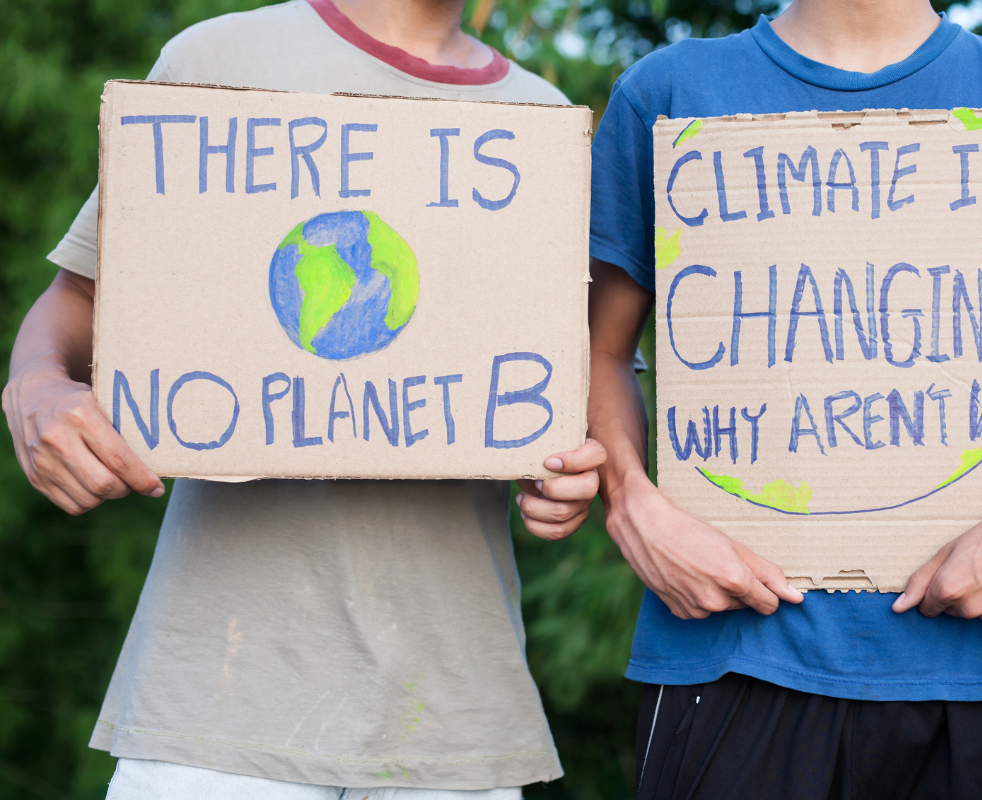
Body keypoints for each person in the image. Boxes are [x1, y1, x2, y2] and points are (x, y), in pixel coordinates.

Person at [1, 0, 606, 797]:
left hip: (453, 719)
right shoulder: (218, 58)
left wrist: (568, 474)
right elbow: (79, 298)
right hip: (219, 701)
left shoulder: (542, 124)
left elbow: (557, 389)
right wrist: (38, 385)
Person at [586, 0, 982, 796]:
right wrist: (630, 502)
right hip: (726, 663)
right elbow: (597, 351)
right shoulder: (668, 93)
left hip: (972, 670)